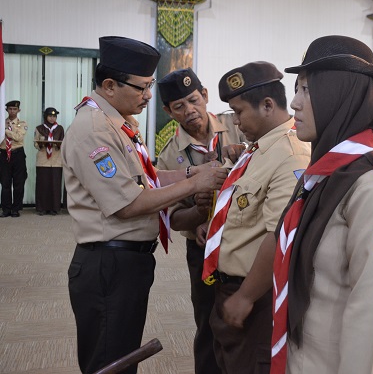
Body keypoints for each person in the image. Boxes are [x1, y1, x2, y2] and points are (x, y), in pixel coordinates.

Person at [62, 36, 227, 374]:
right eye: (141, 88)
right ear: (109, 85)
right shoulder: (94, 131)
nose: (148, 96)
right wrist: (195, 183)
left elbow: (145, 180)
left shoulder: (117, 124)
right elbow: (128, 203)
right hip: (109, 264)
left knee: (122, 354)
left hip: (126, 262)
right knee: (110, 362)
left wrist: (193, 170)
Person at [270, 35, 373, 374]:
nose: (294, 104)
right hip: (303, 357)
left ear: (338, 94)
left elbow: (368, 309)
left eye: (306, 90)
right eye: (297, 89)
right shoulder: (325, 175)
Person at [198, 61, 310, 374]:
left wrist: (246, 296)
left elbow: (281, 235)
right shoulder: (258, 149)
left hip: (255, 294)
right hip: (229, 287)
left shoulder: (291, 153)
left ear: (267, 105)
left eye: (239, 111)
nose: (235, 121)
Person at [156, 67, 243, 374]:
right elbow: (172, 217)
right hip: (204, 252)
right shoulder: (168, 157)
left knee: (247, 319)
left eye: (194, 100)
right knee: (208, 322)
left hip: (247, 243)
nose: (189, 110)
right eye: (179, 106)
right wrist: (197, 215)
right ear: (169, 111)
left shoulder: (238, 125)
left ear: (205, 96)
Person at [34, 107, 64, 215]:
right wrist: (41, 144)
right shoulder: (39, 128)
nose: (52, 118)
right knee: (43, 184)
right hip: (43, 159)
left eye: (54, 116)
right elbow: (35, 144)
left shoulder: (60, 128)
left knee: (55, 184)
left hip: (56, 160)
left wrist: (58, 144)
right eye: (50, 116)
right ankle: (42, 208)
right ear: (45, 117)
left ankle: (54, 208)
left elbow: (63, 143)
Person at [0, 100, 28, 217]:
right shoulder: (1, 122)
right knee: (5, 183)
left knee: (18, 183)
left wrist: (5, 130)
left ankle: (16, 209)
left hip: (18, 154)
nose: (12, 111)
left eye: (14, 109)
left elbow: (18, 137)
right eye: (10, 109)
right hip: (3, 153)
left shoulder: (22, 123)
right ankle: (6, 209)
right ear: (6, 110)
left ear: (18, 110)